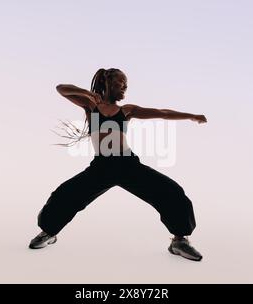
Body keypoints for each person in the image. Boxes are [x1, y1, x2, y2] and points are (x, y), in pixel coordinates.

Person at [29, 68, 207, 261]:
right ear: (107, 83)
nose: (124, 88)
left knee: (172, 192)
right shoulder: (91, 105)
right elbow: (61, 88)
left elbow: (162, 113)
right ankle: (48, 232)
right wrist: (90, 95)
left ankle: (179, 241)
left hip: (127, 165)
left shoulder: (126, 110)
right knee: (64, 195)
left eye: (126, 85)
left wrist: (191, 115)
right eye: (120, 83)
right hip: (101, 167)